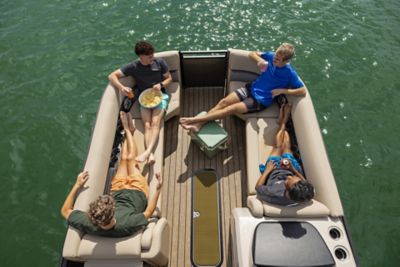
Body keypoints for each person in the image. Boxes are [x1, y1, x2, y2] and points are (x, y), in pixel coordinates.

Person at [61, 112, 163, 237]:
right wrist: (158, 189)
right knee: (130, 158)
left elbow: (65, 211)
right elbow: (148, 212)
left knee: (123, 161)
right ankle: (129, 130)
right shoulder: (128, 224)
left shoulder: (92, 223)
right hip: (137, 191)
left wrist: (77, 185)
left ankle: (128, 131)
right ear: (113, 211)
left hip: (117, 190)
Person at [179, 42, 306, 132]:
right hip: (251, 88)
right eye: (275, 57)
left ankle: (193, 120)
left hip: (260, 100)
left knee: (230, 109)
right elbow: (252, 53)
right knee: (223, 102)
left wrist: (283, 90)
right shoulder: (271, 56)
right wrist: (259, 60)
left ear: (286, 61)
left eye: (278, 60)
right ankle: (199, 124)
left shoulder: (290, 73)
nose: (274, 60)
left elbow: (302, 91)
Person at [109, 41, 172, 164]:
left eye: (152, 55)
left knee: (155, 122)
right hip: (144, 99)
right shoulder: (133, 67)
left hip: (161, 96)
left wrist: (161, 84)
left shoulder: (160, 63)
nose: (152, 58)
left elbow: (169, 78)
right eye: (149, 57)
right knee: (147, 125)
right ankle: (150, 154)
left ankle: (147, 153)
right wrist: (122, 88)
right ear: (141, 56)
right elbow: (112, 76)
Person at [255, 103, 314, 206]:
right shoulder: (306, 194)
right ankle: (283, 123)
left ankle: (283, 121)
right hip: (290, 167)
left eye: (287, 182)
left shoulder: (275, 193)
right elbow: (304, 182)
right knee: (286, 146)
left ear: (286, 192)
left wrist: (267, 170)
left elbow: (258, 188)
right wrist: (292, 169)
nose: (289, 177)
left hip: (273, 169)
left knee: (278, 146)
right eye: (293, 178)